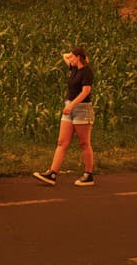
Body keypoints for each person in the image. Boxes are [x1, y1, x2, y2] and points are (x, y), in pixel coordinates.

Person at [33, 46, 96, 187]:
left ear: (78, 58)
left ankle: (88, 175)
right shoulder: (74, 68)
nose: (70, 59)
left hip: (82, 109)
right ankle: (52, 173)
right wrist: (75, 55)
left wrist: (71, 105)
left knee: (84, 143)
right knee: (62, 142)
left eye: (73, 57)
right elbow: (64, 56)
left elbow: (86, 92)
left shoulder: (87, 72)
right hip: (70, 108)